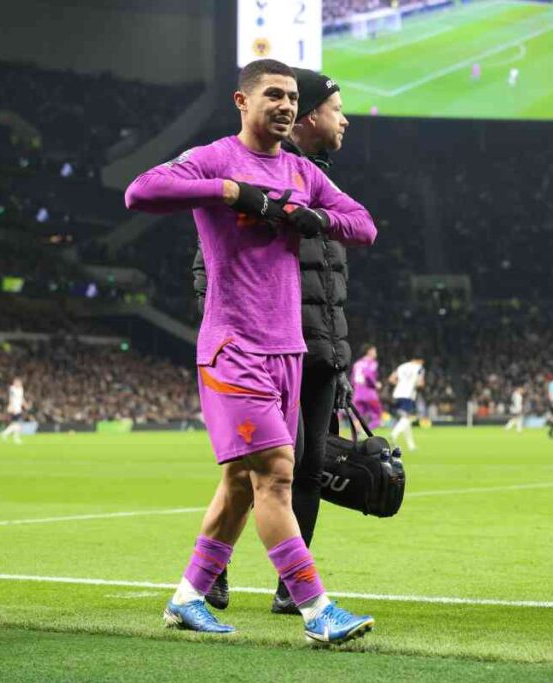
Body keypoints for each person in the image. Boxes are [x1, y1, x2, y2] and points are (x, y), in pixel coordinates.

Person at [125, 59, 377, 643]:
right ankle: (316, 610)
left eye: (292, 97)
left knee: (242, 482)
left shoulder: (301, 170)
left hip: (289, 350)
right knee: (276, 476)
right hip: (234, 347)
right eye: (273, 95)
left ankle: (189, 597)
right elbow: (141, 191)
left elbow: (363, 225)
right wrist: (232, 192)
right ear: (242, 102)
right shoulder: (216, 157)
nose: (286, 105)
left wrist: (309, 217)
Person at [191, 67, 358, 616]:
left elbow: (333, 280)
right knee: (268, 470)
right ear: (310, 117)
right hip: (257, 348)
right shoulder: (248, 172)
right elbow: (211, 265)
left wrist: (338, 360)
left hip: (313, 353)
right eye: (337, 110)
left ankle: (273, 588)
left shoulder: (316, 185)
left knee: (301, 470)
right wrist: (230, 333)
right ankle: (298, 599)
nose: (345, 121)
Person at [390, 358, 425, 451]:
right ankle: (393, 435)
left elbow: (391, 379)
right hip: (408, 395)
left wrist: (401, 384)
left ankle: (411, 446)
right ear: (420, 360)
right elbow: (420, 383)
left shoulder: (402, 366)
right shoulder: (419, 368)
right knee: (406, 418)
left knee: (405, 420)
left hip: (397, 394)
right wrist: (416, 385)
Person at [352, 345, 382, 429]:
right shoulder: (372, 363)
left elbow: (352, 380)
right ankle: (367, 432)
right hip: (369, 394)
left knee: (358, 417)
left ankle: (355, 435)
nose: (376, 353)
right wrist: (375, 384)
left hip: (357, 394)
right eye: (375, 351)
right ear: (369, 351)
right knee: (377, 416)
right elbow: (368, 375)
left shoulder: (357, 364)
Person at [0, 377, 27, 444]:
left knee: (16, 424)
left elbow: (21, 398)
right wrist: (11, 406)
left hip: (19, 408)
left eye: (19, 382)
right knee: (17, 424)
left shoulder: (21, 389)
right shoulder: (12, 389)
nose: (19, 384)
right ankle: (13, 437)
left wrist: (25, 404)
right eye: (17, 382)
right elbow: (11, 398)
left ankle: (6, 434)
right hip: (14, 408)